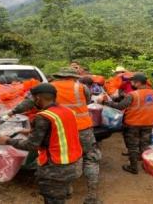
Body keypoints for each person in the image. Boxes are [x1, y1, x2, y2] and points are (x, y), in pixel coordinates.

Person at [0, 83, 83, 204]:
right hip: (74, 163)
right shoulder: (68, 111)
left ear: (37, 98)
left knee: (53, 199)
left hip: (55, 168)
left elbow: (31, 145)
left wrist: (7, 140)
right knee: (62, 196)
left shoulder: (43, 117)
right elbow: (56, 131)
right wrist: (27, 131)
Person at [51, 68, 102, 204]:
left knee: (66, 160)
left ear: (59, 76)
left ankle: (67, 191)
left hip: (62, 129)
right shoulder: (82, 87)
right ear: (73, 77)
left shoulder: (50, 87)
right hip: (83, 128)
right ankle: (91, 197)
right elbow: (88, 101)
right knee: (91, 159)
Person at [102, 73, 153, 174]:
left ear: (137, 83)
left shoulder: (133, 94)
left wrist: (107, 102)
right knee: (144, 145)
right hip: (148, 123)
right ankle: (147, 166)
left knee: (132, 146)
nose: (131, 84)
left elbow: (120, 106)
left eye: (132, 82)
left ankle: (133, 167)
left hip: (132, 124)